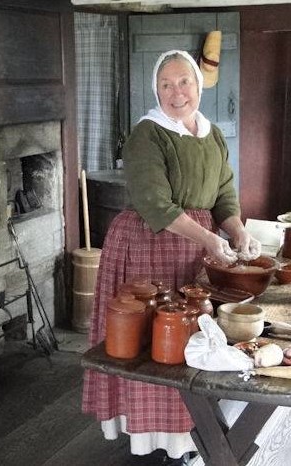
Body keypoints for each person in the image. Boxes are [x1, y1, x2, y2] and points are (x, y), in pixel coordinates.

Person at [81, 50, 261, 464]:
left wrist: (236, 230)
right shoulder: (148, 134)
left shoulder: (211, 135)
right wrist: (210, 240)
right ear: (155, 90)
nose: (176, 92)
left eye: (185, 82)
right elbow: (155, 204)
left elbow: (223, 196)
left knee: (190, 339)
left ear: (199, 86)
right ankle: (150, 440)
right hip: (150, 245)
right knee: (154, 342)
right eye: (166, 84)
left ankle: (189, 431)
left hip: (194, 245)